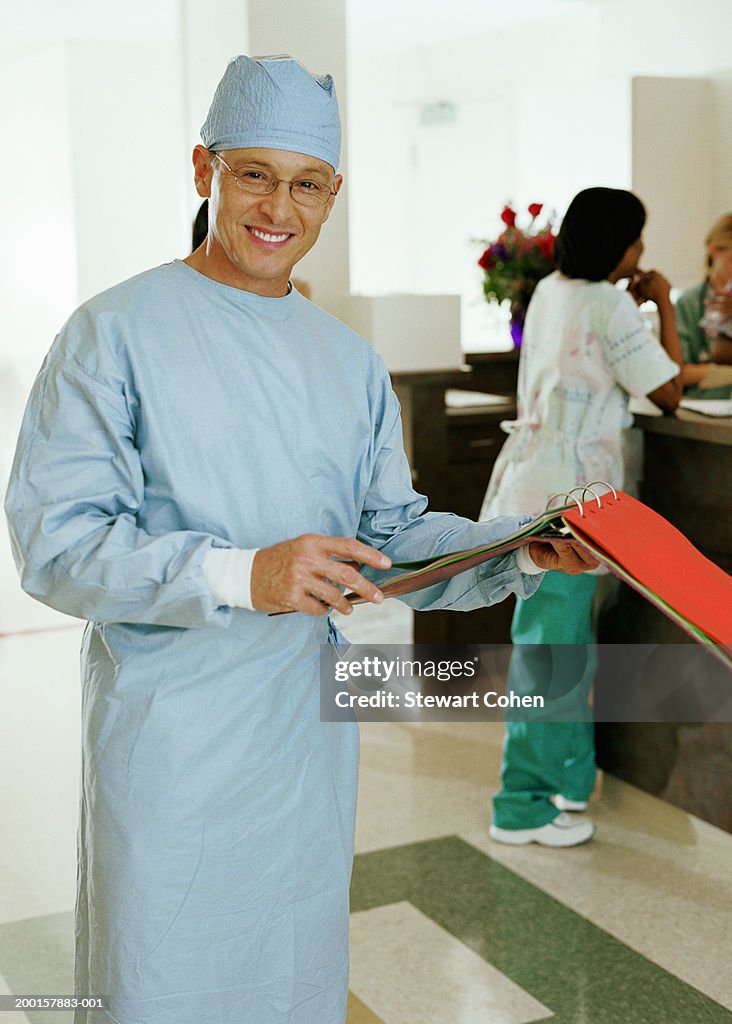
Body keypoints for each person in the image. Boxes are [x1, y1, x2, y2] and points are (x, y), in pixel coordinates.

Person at [4, 55, 597, 1024]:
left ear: (333, 196)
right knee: (159, 983)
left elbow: (393, 538)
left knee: (289, 983)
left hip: (299, 749)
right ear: (204, 170)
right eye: (254, 174)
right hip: (172, 746)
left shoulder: (347, 363)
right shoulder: (112, 333)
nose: (280, 205)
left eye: (307, 182)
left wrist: (521, 547)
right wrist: (246, 574)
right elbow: (57, 543)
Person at [480, 187, 682, 849]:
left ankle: (564, 781)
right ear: (617, 243)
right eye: (638, 239)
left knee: (555, 649)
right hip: (568, 504)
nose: (642, 252)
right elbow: (670, 391)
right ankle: (521, 804)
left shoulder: (549, 291)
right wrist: (662, 301)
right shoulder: (610, 302)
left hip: (533, 489)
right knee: (554, 656)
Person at [675, 212, 732, 398]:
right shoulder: (689, 304)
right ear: (715, 251)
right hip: (700, 409)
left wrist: (710, 373)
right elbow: (677, 373)